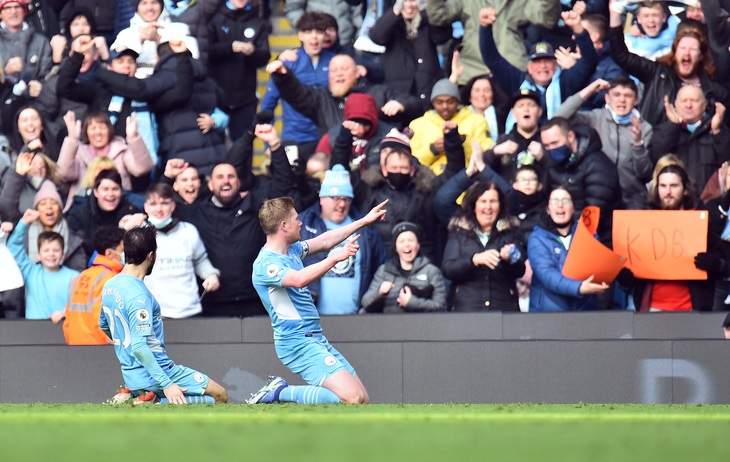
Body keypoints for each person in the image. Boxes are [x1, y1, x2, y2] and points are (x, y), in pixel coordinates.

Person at [247, 196, 387, 405]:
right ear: (284, 226)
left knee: (362, 399)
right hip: (296, 342)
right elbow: (299, 280)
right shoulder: (266, 265)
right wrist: (333, 258)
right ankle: (279, 392)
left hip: (315, 338)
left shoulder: (292, 250)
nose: (301, 222)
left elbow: (325, 241)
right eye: (296, 218)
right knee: (352, 398)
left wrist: (363, 221)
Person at [171, 123, 295, 317]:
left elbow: (283, 185)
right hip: (215, 303)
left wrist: (275, 145)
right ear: (210, 185)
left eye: (231, 176)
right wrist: (166, 177)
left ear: (239, 183)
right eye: (219, 177)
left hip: (256, 300)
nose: (226, 180)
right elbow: (162, 207)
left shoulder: (256, 206)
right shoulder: (197, 212)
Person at [100, 225, 228, 404]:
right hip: (158, 372)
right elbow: (139, 346)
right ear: (151, 255)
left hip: (131, 375)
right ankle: (154, 403)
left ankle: (142, 396)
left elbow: (104, 325)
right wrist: (167, 384)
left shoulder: (110, 286)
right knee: (219, 395)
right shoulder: (139, 296)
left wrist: (127, 354)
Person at [608, 0, 729, 127]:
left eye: (692, 49)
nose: (686, 53)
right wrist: (615, 14)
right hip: (657, 142)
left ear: (700, 56)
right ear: (674, 51)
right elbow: (621, 56)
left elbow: (715, 23)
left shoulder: (715, 90)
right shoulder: (657, 74)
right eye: (682, 48)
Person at [479, 5, 598, 132]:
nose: (542, 66)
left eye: (547, 60)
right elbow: (492, 59)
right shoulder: (517, 80)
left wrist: (578, 29)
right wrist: (485, 28)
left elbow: (589, 61)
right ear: (529, 67)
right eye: (537, 61)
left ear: (555, 65)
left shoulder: (566, 81)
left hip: (561, 141)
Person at [632, 161, 725, 311]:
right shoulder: (645, 222)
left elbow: (724, 262)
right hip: (651, 310)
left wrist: (714, 264)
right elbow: (629, 277)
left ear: (685, 189)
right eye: (662, 186)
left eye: (674, 186)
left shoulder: (701, 221)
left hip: (691, 311)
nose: (667, 191)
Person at [299, 164, 387, 315]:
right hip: (311, 319)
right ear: (322, 199)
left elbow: (381, 265)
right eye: (336, 198)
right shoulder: (303, 224)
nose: (341, 205)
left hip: (356, 319)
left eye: (346, 199)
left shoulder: (365, 228)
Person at [554, 77, 654, 210]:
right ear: (607, 98)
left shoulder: (645, 128)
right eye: (616, 95)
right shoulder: (595, 118)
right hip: (598, 196)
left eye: (628, 96)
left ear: (636, 100)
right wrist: (589, 90)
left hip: (631, 200)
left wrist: (638, 144)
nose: (622, 100)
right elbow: (558, 120)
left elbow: (644, 173)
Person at [440, 180, 525, 312]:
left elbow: (520, 270)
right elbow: (448, 268)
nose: (488, 207)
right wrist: (474, 260)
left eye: (493, 201)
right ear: (474, 205)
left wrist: (510, 259)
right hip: (467, 308)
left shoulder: (510, 231)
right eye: (483, 201)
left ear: (500, 205)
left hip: (503, 307)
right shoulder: (459, 231)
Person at [537, 117, 622, 246]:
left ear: (570, 136)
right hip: (563, 237)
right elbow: (544, 202)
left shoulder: (598, 165)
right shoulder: (552, 165)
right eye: (547, 146)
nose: (551, 149)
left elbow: (595, 213)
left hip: (600, 241)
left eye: (555, 143)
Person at [260, 12, 334, 156]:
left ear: (325, 36)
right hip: (294, 137)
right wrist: (268, 145)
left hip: (327, 138)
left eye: (319, 31)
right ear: (300, 35)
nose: (314, 36)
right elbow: (268, 106)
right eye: (308, 31)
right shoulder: (288, 63)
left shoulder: (335, 61)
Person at [143, 183, 220, 318]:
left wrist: (212, 275)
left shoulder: (188, 230)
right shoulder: (138, 234)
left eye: (164, 203)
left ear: (173, 205)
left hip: (190, 311)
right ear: (146, 207)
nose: (159, 209)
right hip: (154, 315)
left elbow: (200, 261)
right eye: (153, 204)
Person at [527, 187, 609, 311]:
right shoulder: (537, 238)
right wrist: (578, 287)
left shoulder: (588, 232)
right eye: (554, 201)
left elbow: (597, 265)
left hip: (585, 311)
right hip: (548, 315)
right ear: (548, 209)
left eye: (565, 201)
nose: (560, 205)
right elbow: (547, 275)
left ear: (573, 208)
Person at [57, 111, 154, 212]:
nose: (98, 132)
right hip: (84, 204)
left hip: (117, 203)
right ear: (86, 132)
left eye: (102, 127)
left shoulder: (120, 149)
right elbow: (63, 174)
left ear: (109, 130)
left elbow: (143, 168)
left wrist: (134, 138)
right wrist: (72, 139)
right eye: (93, 128)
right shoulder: (79, 152)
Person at [368, 0, 451, 113]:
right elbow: (376, 36)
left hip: (426, 89)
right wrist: (396, 11)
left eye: (413, 0)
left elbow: (442, 36)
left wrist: (426, 11)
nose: (408, 5)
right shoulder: (392, 22)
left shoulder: (426, 21)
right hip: (399, 95)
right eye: (404, 0)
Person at [208, 0, 270, 141]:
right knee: (215, 149)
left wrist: (252, 52)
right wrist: (230, 48)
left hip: (245, 97)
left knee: (243, 149)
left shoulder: (257, 22)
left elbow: (265, 56)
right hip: (215, 95)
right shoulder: (214, 18)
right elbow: (206, 50)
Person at [650, 85, 730, 192]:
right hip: (676, 203)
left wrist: (717, 131)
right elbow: (655, 159)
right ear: (676, 104)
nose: (688, 105)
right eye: (684, 101)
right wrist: (673, 127)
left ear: (704, 104)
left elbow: (726, 163)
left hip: (709, 201)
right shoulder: (664, 130)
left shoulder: (718, 130)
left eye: (694, 101)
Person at [409, 78, 493, 174]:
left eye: (450, 102)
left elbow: (487, 155)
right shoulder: (418, 125)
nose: (445, 106)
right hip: (429, 182)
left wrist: (463, 141)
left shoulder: (477, 121)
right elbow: (411, 161)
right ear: (433, 103)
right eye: (439, 102)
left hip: (468, 178)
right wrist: (433, 149)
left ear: (458, 102)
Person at [7, 208, 79, 320]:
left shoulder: (74, 277)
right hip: (33, 330)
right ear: (38, 255)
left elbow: (80, 303)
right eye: (46, 250)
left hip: (63, 327)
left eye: (56, 250)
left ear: (63, 255)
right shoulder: (30, 272)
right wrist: (24, 222)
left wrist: (66, 313)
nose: (51, 254)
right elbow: (13, 245)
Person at [360, 221, 446, 313]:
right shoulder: (384, 271)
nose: (406, 245)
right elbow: (365, 302)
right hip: (387, 324)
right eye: (401, 241)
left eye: (411, 240)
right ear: (396, 247)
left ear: (418, 245)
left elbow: (441, 306)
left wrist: (412, 302)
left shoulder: (431, 271)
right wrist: (379, 292)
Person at [61, 226, 125, 345]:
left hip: (75, 347)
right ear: (109, 253)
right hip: (100, 351)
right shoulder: (110, 280)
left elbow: (68, 319)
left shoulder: (79, 277)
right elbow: (104, 322)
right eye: (123, 250)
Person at [65, 168, 142, 255]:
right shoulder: (79, 213)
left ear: (121, 191)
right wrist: (121, 231)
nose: (110, 194)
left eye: (115, 189)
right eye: (105, 189)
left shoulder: (130, 212)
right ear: (96, 192)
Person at [483, 89, 545, 184]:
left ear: (540, 111)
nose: (526, 109)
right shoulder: (503, 140)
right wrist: (494, 153)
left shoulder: (548, 140)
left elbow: (560, 172)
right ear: (513, 112)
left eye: (531, 105)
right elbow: (483, 170)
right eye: (520, 106)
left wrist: (544, 157)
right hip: (509, 196)